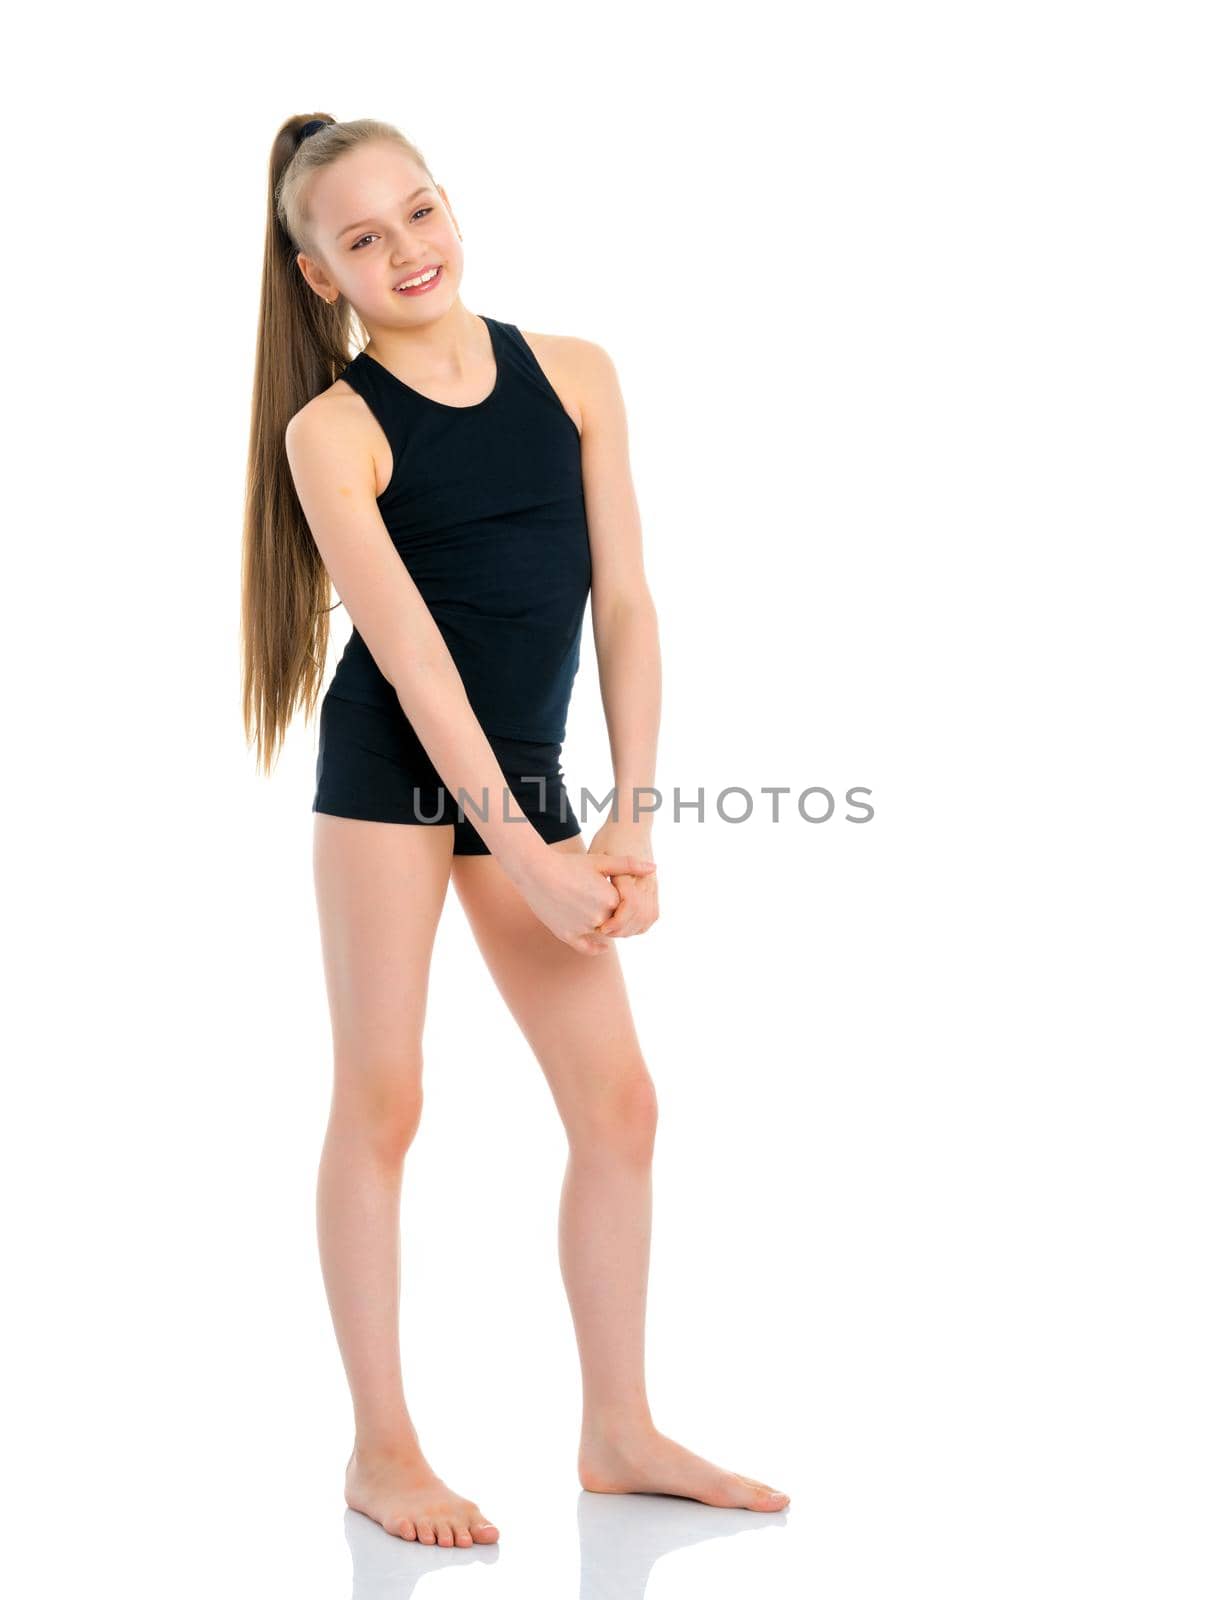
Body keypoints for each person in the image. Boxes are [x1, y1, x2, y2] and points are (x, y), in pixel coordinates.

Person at [240, 112, 789, 1549]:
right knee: (385, 1096)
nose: (407, 249)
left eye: (419, 212)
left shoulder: (578, 372)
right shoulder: (335, 429)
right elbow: (417, 665)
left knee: (621, 1107)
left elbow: (628, 601)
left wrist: (629, 818)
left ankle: (617, 1428)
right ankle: (382, 1448)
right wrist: (527, 859)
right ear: (320, 277)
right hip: (393, 770)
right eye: (364, 239)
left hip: (529, 766)